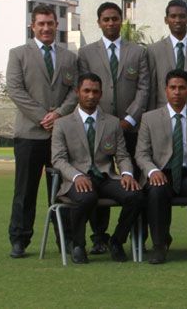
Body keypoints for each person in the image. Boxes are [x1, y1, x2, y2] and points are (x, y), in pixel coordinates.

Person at [6, 4, 78, 258]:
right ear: (32, 26)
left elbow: (75, 91)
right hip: (29, 134)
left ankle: (65, 240)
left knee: (62, 192)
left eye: (50, 23)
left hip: (61, 136)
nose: (46, 28)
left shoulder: (69, 57)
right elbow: (15, 90)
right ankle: (19, 239)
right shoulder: (18, 54)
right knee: (25, 191)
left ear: (57, 25)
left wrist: (58, 114)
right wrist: (42, 117)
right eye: (41, 24)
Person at [77, 1, 149, 255]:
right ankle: (99, 237)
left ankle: (138, 237)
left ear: (122, 21)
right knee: (99, 176)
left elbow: (144, 88)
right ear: (99, 23)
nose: (110, 23)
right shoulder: (86, 53)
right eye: (106, 19)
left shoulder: (138, 52)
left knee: (134, 182)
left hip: (131, 128)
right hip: (98, 127)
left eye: (115, 18)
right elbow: (86, 89)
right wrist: (104, 121)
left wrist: (129, 119)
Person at [50, 73, 144, 264]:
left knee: (135, 195)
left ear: (101, 94)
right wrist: (76, 176)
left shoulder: (112, 123)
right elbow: (58, 159)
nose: (91, 96)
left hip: (105, 177)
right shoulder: (62, 124)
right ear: (78, 92)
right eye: (86, 91)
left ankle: (117, 241)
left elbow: (122, 155)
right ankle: (78, 245)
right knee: (87, 197)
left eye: (95, 92)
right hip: (76, 180)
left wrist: (127, 173)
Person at [136, 69, 187, 264]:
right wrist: (152, 171)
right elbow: (141, 153)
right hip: (162, 172)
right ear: (165, 90)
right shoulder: (149, 118)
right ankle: (160, 245)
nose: (177, 92)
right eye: (172, 87)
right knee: (156, 191)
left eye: (181, 88)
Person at [147, 0, 187, 111]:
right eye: (173, 16)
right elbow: (152, 89)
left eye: (182, 16)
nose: (177, 20)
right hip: (164, 113)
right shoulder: (154, 51)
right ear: (166, 20)